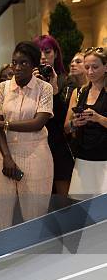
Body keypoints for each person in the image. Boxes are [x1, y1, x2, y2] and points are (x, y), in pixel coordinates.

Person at [0, 42, 54, 232]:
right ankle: (0, 259)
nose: (17, 67)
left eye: (23, 63)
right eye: (14, 62)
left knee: (35, 214)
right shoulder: (2, 88)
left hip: (36, 154)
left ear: (34, 64)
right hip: (4, 154)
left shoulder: (44, 88)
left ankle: (35, 258)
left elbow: (38, 123)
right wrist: (7, 157)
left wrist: (5, 124)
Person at [33, 35, 74, 196]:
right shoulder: (30, 81)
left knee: (64, 204)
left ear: (56, 54)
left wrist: (54, 90)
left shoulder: (66, 81)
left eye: (47, 51)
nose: (43, 57)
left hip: (58, 146)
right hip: (36, 146)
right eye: (39, 52)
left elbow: (64, 120)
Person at [65, 47, 107, 199]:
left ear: (106, 66)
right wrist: (75, 123)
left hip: (104, 159)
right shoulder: (80, 92)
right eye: (87, 67)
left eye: (95, 67)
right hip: (83, 158)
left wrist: (98, 118)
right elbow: (66, 127)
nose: (90, 72)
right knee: (81, 209)